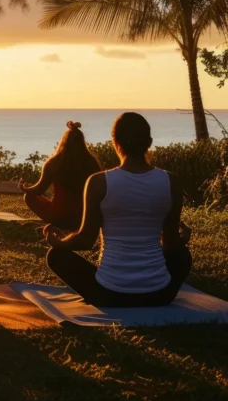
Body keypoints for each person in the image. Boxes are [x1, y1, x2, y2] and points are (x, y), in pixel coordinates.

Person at [43, 112, 192, 307]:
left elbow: (86, 239)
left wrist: (58, 241)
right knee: (182, 255)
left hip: (108, 294)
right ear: (149, 142)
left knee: (56, 256)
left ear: (115, 142)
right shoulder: (171, 181)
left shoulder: (98, 182)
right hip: (159, 295)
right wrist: (184, 238)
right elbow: (171, 243)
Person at [19, 121, 102, 228]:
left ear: (63, 141)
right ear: (82, 142)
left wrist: (24, 188)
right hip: (84, 217)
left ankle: (59, 223)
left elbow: (38, 190)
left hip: (57, 215)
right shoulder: (91, 162)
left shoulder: (54, 163)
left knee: (28, 197)